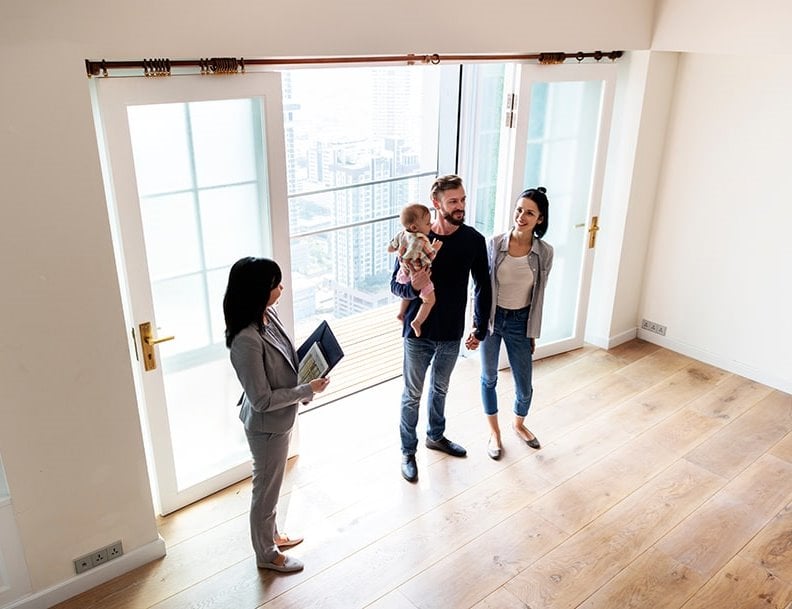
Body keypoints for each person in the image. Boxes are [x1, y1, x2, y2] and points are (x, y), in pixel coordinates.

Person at [223, 257, 330, 573]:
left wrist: (308, 380)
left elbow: (286, 360)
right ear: (259, 290)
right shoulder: (245, 339)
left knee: (272, 485)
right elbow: (261, 400)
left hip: (280, 419)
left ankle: (271, 535)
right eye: (276, 284)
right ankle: (267, 554)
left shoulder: (266, 315)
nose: (282, 287)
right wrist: (305, 390)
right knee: (266, 491)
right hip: (266, 426)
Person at [391, 175, 492, 482]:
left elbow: (483, 286)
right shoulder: (413, 239)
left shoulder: (473, 240)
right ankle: (408, 451)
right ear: (436, 204)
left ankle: (436, 436)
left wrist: (479, 326)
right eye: (453, 202)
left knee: (440, 389)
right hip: (417, 333)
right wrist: (415, 289)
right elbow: (396, 286)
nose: (460, 206)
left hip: (451, 332)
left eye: (462, 200)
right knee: (412, 394)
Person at [479, 188, 553, 460]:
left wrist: (532, 332)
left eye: (529, 213)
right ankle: (494, 433)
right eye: (519, 209)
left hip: (520, 321)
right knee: (489, 378)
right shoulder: (494, 244)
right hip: (492, 319)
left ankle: (518, 424)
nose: (521, 216)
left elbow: (539, 295)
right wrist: (477, 326)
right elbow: (482, 289)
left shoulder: (544, 253)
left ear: (540, 219)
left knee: (524, 386)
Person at [388, 203, 443, 337]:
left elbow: (390, 248)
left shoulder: (401, 234)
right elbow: (430, 257)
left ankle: (401, 313)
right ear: (414, 227)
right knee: (429, 300)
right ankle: (417, 322)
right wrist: (435, 247)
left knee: (407, 295)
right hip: (419, 274)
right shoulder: (422, 240)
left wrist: (400, 252)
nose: (430, 225)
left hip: (403, 272)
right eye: (428, 223)